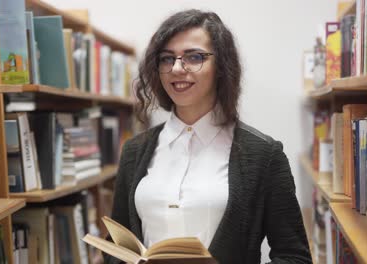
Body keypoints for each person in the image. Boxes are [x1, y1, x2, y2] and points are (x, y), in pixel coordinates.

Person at [105, 9, 312, 264]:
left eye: (194, 57)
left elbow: (294, 257)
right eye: (167, 59)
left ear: (222, 67)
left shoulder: (264, 155)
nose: (177, 68)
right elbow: (115, 246)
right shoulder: (134, 151)